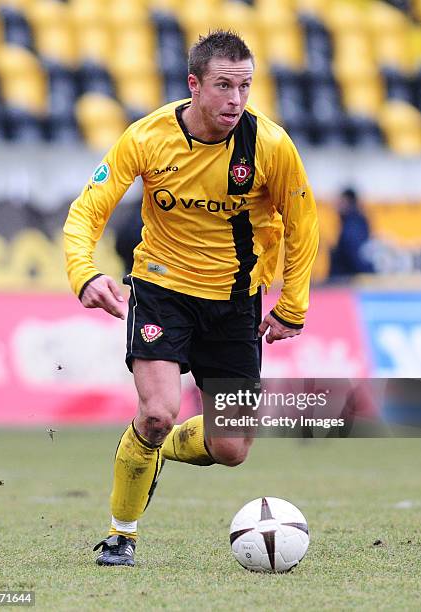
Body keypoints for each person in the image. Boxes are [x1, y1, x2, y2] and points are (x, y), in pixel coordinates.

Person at [63, 30, 319, 567]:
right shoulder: (147, 137)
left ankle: (158, 446)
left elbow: (303, 225)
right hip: (161, 290)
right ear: (194, 85)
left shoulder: (269, 145)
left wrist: (292, 304)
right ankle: (121, 533)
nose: (236, 99)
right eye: (224, 86)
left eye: (245, 86)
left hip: (236, 301)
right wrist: (85, 274)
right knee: (155, 411)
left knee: (231, 449)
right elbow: (88, 209)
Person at [329, 187, 374, 278]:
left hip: (347, 281)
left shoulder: (352, 226)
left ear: (348, 202)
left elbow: (356, 257)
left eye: (340, 202)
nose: (336, 206)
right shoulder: (356, 222)